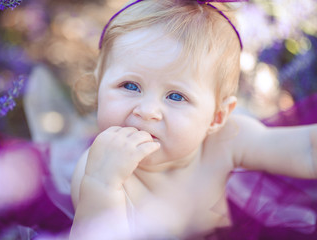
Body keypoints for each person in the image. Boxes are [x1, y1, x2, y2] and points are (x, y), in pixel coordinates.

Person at [69, 0, 317, 239]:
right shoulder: (98, 170)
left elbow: (306, 150)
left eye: (176, 96)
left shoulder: (227, 139)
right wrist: (102, 186)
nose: (147, 111)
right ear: (99, 85)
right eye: (130, 85)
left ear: (216, 117)